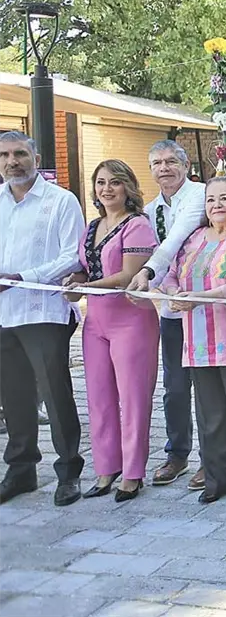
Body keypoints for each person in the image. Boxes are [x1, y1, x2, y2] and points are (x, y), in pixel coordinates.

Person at [160, 176, 226, 506]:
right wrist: (174, 292)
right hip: (198, 339)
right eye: (210, 200)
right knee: (210, 415)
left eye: (225, 199)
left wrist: (201, 297)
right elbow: (171, 273)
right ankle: (215, 478)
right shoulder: (193, 238)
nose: (216, 205)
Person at [63, 160, 160, 502]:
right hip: (96, 322)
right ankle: (106, 468)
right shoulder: (92, 226)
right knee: (99, 397)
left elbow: (127, 275)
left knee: (133, 399)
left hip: (132, 320)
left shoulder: (138, 226)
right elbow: (83, 268)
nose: (107, 189)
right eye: (101, 182)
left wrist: (85, 286)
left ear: (128, 188)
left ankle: (133, 474)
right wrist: (74, 281)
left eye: (115, 182)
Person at [0, 131, 85, 507]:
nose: (11, 162)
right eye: (4, 155)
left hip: (44, 311)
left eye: (19, 154)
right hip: (4, 314)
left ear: (36, 157)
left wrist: (23, 279)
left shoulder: (61, 201)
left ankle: (69, 472)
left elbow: (72, 256)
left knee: (55, 393)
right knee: (14, 396)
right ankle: (21, 471)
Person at [127, 140, 207, 490]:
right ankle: (177, 453)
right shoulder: (148, 210)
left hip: (205, 305)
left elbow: (173, 241)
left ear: (186, 165)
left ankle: (213, 458)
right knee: (175, 388)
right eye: (157, 162)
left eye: (172, 161)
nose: (165, 168)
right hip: (170, 309)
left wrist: (146, 272)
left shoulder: (201, 195)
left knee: (207, 388)